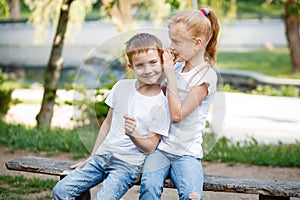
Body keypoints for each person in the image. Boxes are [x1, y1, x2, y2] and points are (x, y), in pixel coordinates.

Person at [52, 33, 170, 200]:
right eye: (140, 65)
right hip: (102, 157)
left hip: (127, 165)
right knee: (61, 191)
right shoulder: (121, 87)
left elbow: (150, 147)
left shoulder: (162, 104)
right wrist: (93, 155)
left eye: (153, 62)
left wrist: (133, 134)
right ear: (131, 67)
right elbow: (107, 123)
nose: (148, 70)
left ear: (162, 62)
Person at [139, 8, 220, 200]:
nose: (171, 46)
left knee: (192, 195)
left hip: (187, 154)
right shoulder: (176, 66)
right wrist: (158, 71)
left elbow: (177, 115)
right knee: (149, 186)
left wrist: (170, 77)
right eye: (171, 40)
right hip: (161, 149)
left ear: (197, 43)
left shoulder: (205, 76)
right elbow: (156, 96)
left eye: (176, 42)